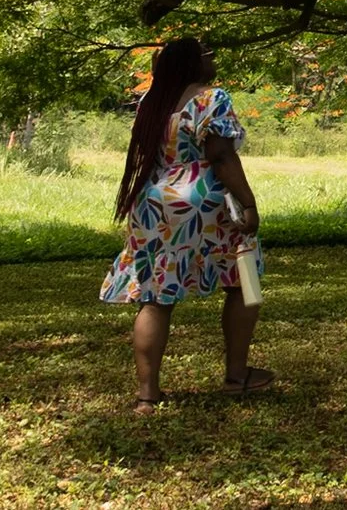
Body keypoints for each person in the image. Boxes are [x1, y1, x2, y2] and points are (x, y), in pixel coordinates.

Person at [101, 37, 273, 411]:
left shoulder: (152, 102)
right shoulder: (212, 99)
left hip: (152, 202)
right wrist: (248, 203)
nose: (213, 60)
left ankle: (147, 394)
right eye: (208, 55)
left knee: (155, 297)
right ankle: (237, 375)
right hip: (203, 199)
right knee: (243, 280)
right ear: (195, 63)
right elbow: (221, 155)